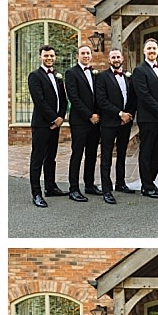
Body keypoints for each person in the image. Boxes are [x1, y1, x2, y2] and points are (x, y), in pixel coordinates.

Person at [132, 38, 158, 198]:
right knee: (147, 152)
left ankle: (152, 182)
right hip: (149, 119)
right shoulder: (139, 71)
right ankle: (146, 186)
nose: (152, 51)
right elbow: (143, 95)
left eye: (154, 49)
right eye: (149, 49)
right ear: (144, 51)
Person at [95, 48, 136, 204]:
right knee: (106, 157)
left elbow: (133, 98)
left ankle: (120, 183)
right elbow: (102, 100)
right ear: (109, 60)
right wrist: (119, 114)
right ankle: (107, 189)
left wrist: (128, 115)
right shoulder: (102, 77)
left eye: (118, 56)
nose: (116, 59)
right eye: (113, 57)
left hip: (125, 123)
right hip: (109, 123)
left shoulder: (128, 77)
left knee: (122, 153)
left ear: (122, 58)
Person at [29, 46, 67, 206]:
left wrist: (61, 118)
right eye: (46, 55)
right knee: (37, 159)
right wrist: (53, 118)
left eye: (51, 55)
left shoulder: (58, 77)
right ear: (40, 57)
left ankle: (50, 187)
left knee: (51, 157)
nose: (49, 58)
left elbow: (64, 99)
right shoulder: (35, 76)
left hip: (56, 124)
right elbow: (39, 100)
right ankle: (36, 193)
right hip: (41, 124)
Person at [65, 45, 102, 202]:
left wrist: (98, 115)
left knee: (92, 154)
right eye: (83, 53)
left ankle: (89, 184)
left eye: (88, 53)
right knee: (77, 154)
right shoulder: (71, 73)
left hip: (95, 121)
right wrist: (89, 115)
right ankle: (73, 188)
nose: (86, 55)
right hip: (80, 121)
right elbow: (74, 98)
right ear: (77, 56)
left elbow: (99, 96)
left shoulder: (95, 74)